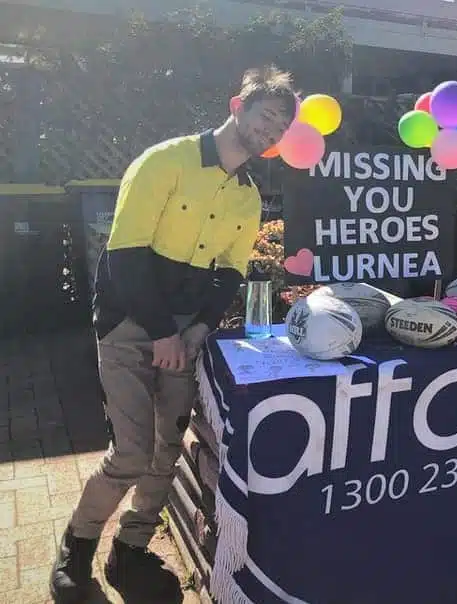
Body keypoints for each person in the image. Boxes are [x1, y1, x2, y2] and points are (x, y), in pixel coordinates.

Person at [50, 66, 297, 603]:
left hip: (186, 335)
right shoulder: (164, 161)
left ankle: (131, 548)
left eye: (281, 127)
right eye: (266, 117)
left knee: (167, 449)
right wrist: (162, 333)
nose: (271, 132)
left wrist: (200, 328)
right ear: (237, 105)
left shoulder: (248, 196)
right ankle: (77, 546)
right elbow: (125, 257)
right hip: (129, 326)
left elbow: (230, 272)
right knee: (131, 453)